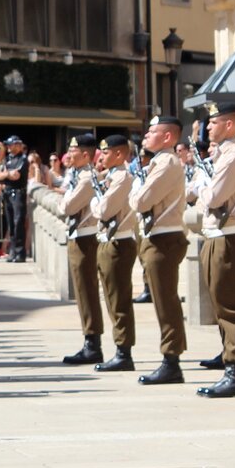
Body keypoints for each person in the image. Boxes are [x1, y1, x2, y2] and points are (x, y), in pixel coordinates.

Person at [189, 103, 235, 398]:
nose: (208, 128)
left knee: (231, 307)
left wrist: (204, 186)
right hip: (218, 234)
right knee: (222, 304)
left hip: (230, 236)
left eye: (214, 123)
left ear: (229, 125)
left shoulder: (234, 156)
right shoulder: (222, 155)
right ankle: (230, 362)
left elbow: (213, 197)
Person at [129, 117, 189, 386]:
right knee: (163, 301)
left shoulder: (166, 163)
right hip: (157, 235)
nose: (146, 136)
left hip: (164, 238)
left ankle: (171, 360)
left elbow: (141, 201)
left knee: (166, 302)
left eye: (152, 132)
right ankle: (170, 357)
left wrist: (135, 192)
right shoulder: (158, 162)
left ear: (167, 137)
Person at [57, 135, 106, 365]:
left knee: (86, 291)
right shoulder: (78, 175)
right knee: (82, 292)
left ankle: (93, 343)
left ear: (86, 154)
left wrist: (64, 199)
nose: (68, 153)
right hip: (78, 235)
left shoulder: (87, 177)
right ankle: (90, 339)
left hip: (86, 238)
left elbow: (68, 206)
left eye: (73, 149)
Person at [91, 135, 138, 371]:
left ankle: (124, 350)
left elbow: (103, 210)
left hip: (119, 242)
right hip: (109, 240)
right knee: (111, 298)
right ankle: (120, 348)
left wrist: (94, 204)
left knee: (118, 299)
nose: (101, 157)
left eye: (106, 152)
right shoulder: (112, 176)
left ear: (119, 154)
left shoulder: (122, 178)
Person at [0, 135, 28, 262]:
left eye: (11, 145)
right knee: (10, 224)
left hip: (18, 193)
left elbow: (16, 175)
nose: (9, 147)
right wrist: (7, 174)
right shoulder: (6, 159)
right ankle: (12, 251)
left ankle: (20, 252)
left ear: (18, 145)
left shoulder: (23, 159)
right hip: (7, 193)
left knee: (18, 224)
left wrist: (7, 174)